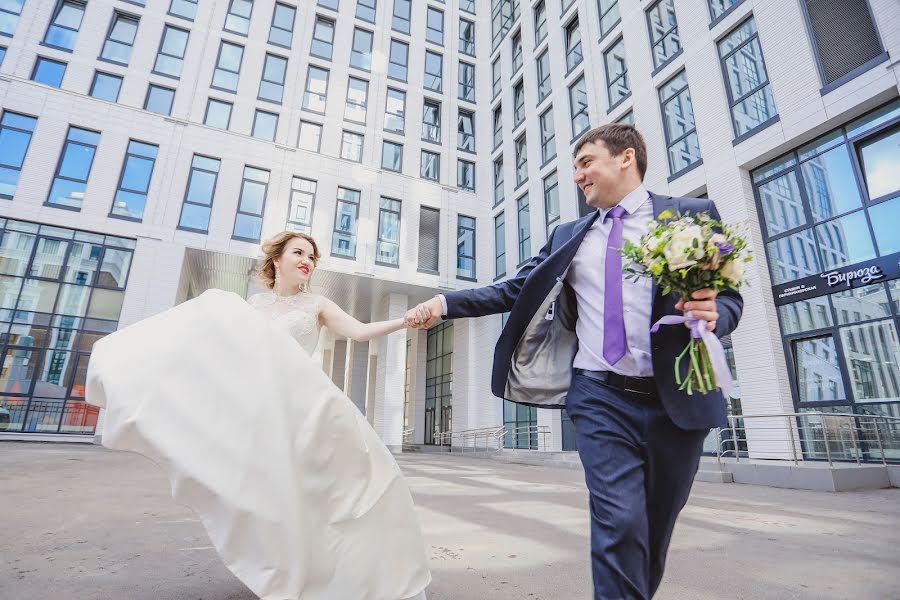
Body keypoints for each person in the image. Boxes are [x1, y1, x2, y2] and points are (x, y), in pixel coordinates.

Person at [406, 124, 743, 600]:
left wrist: (716, 313)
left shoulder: (691, 216)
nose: (578, 175)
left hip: (677, 401)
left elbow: (730, 298)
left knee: (653, 527)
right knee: (619, 522)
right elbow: (515, 289)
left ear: (626, 158)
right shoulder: (571, 235)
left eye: (586, 162)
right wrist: (444, 304)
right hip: (599, 396)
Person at [87, 231, 430, 600]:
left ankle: (354, 574)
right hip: (264, 412)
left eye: (312, 257)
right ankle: (291, 569)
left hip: (306, 406)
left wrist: (404, 322)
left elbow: (361, 332)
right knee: (275, 495)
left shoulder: (317, 304)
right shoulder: (252, 306)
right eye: (298, 252)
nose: (307, 261)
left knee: (344, 488)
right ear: (277, 259)